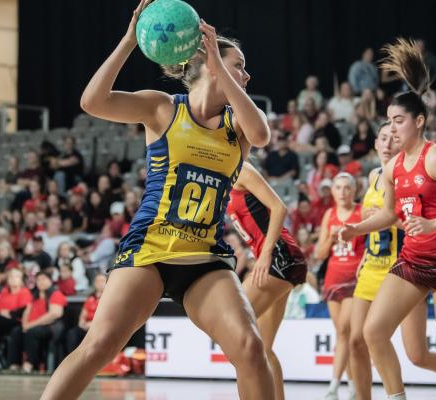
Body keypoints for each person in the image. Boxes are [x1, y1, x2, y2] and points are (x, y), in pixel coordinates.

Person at [42, 2, 274, 398]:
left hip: (204, 257)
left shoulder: (239, 126)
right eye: (240, 65)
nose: (247, 74)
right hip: (149, 248)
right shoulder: (162, 107)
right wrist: (129, 40)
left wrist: (222, 65)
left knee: (251, 348)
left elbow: (263, 133)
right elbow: (92, 101)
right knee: (98, 347)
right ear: (208, 65)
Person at [339, 39, 436, 400]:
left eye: (399, 121)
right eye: (389, 121)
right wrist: (356, 228)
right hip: (413, 260)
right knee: (373, 332)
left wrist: (434, 224)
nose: (393, 128)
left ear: (419, 122)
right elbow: (390, 214)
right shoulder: (391, 168)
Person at [348, 122, 436, 400]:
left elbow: (410, 222)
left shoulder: (417, 170)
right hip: (374, 267)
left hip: (408, 264)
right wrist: (363, 237)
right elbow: (378, 224)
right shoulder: (373, 176)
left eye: (393, 139)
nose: (387, 144)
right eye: (382, 138)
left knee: (418, 354)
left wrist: (388, 221)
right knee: (357, 339)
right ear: (375, 144)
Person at [226, 162, 308, 400]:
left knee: (236, 338)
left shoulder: (241, 170)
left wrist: (265, 253)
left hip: (280, 257)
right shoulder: (224, 180)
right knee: (262, 348)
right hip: (284, 260)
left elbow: (279, 207)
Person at [314, 172, 364, 400]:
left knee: (345, 330)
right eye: (339, 188)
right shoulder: (329, 214)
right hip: (333, 278)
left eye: (347, 187)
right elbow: (318, 254)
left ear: (354, 190)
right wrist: (331, 239)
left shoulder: (362, 212)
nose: (343, 192)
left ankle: (333, 386)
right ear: (332, 191)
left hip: (356, 279)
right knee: (342, 334)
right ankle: (352, 385)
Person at [65, 274, 106, 354]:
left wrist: (93, 324)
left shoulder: (109, 297)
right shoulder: (90, 298)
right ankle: (73, 358)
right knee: (72, 333)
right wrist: (82, 323)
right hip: (87, 326)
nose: (99, 283)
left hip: (101, 326)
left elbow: (107, 316)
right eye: (97, 281)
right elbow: (83, 314)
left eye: (102, 281)